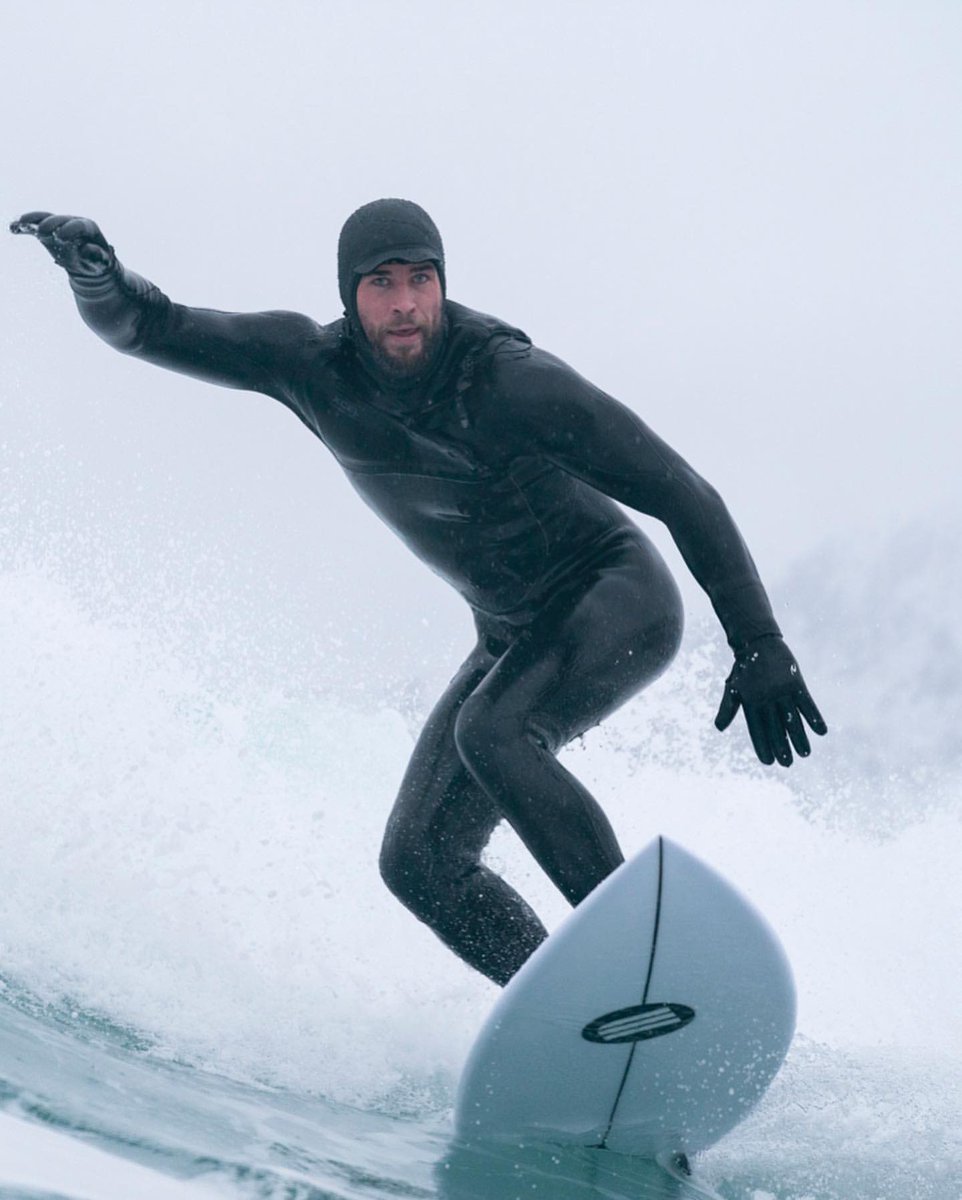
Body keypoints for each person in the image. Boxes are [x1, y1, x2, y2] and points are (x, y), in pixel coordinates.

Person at [11, 200, 826, 985]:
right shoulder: (310, 368)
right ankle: (575, 1013)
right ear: (348, 294)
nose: (405, 305)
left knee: (496, 733)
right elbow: (151, 326)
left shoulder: (509, 381)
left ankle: (645, 967)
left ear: (443, 282)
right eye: (381, 283)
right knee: (418, 863)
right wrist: (99, 284)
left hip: (616, 594)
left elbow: (682, 490)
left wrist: (759, 643)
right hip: (513, 632)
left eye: (421, 279)